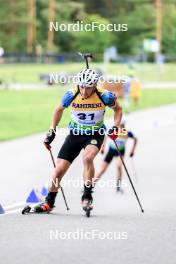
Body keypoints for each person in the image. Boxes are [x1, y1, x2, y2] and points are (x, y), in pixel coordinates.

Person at [34, 68, 122, 213]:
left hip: (95, 133)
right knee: (58, 170)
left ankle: (87, 195)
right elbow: (58, 110)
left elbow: (118, 109)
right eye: (81, 86)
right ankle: (49, 202)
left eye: (87, 87)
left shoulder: (105, 96)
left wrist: (116, 127)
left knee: (87, 158)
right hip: (75, 134)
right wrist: (52, 131)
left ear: (94, 86)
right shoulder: (71, 94)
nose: (83, 90)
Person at [94, 122, 137, 192]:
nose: (120, 130)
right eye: (119, 128)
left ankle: (118, 186)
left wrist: (132, 150)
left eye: (122, 128)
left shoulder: (127, 133)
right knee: (102, 170)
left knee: (119, 166)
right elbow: (105, 136)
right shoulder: (114, 131)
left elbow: (135, 139)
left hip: (120, 152)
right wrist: (103, 147)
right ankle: (90, 186)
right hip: (111, 151)